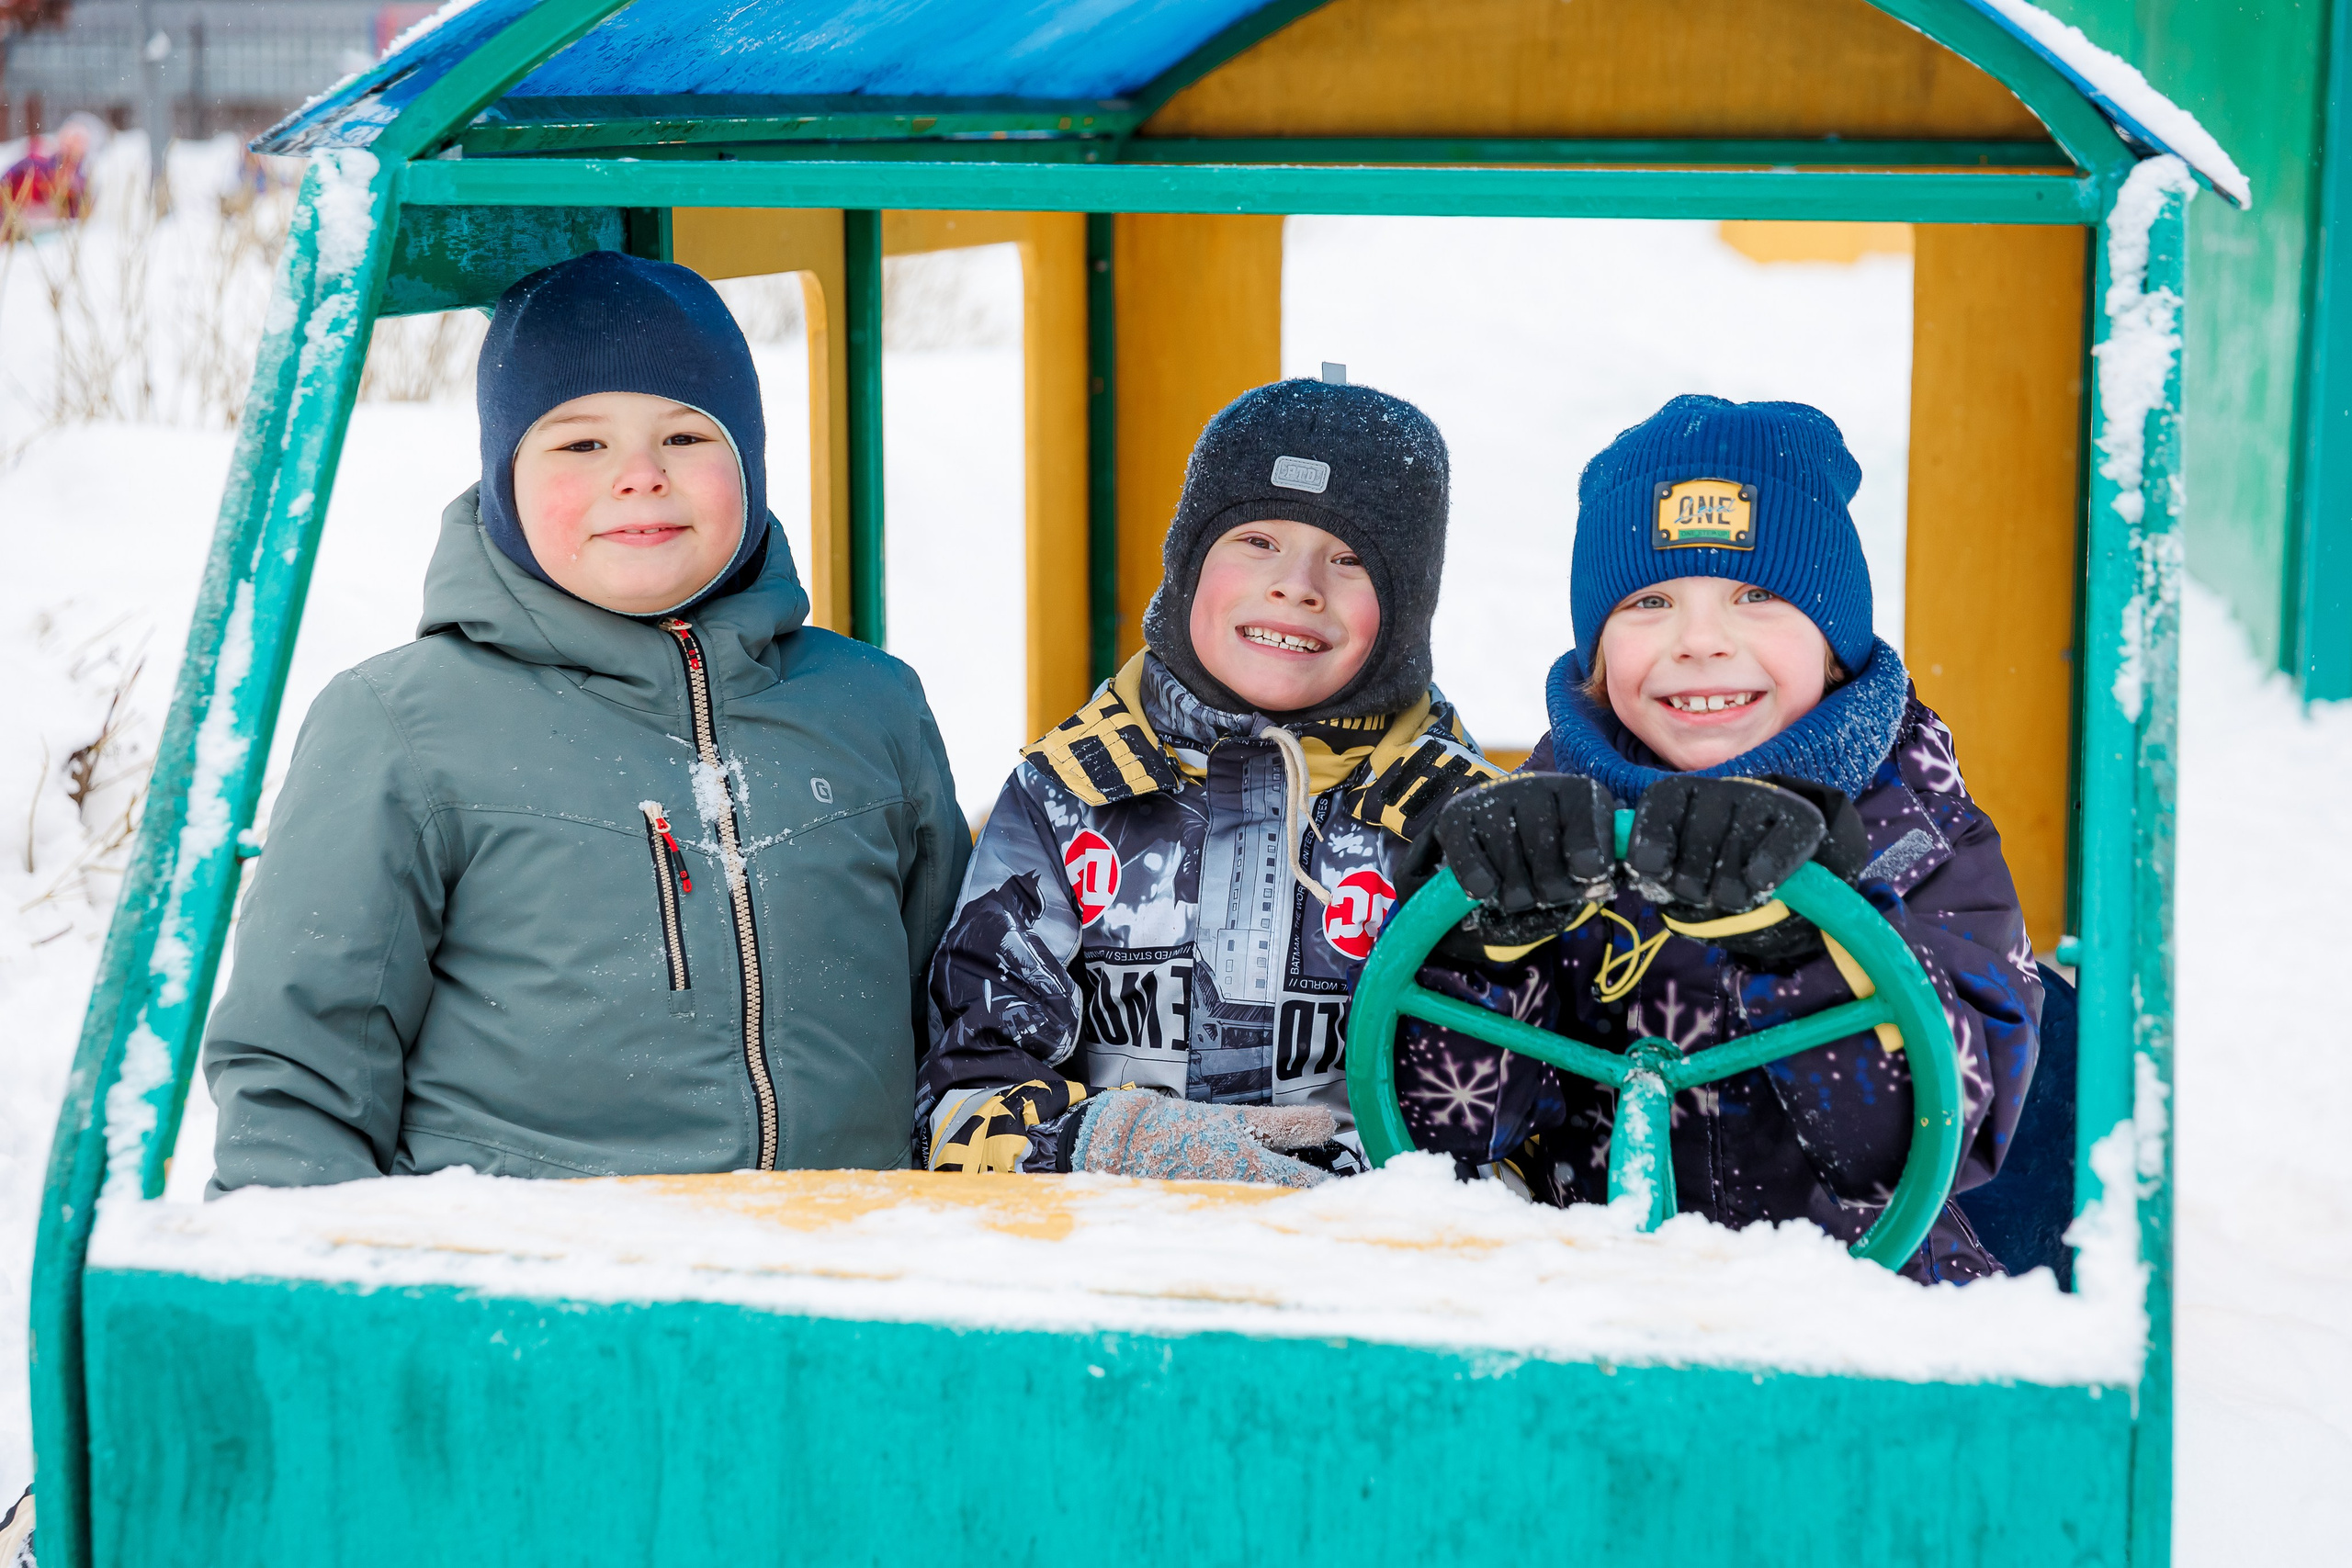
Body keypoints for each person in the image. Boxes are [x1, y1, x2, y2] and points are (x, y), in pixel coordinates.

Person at [203, 250, 969, 1190]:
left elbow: (960, 1014)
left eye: (687, 438)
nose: (640, 476)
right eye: (580, 444)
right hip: (532, 1302)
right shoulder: (401, 725)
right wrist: (319, 1311)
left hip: (844, 1282)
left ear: (752, 465)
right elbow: (298, 1075)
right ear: (503, 477)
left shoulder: (870, 705)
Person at [1395, 394, 2041, 1281]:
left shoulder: (1920, 838)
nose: (1700, 641)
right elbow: (1448, 1135)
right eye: (1651, 600)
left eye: (1757, 595)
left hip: (1859, 1323)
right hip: (1576, 1312)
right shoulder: (1549, 830)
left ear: (1835, 645)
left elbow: (1930, 1136)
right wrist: (1475, 955)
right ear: (1596, 652)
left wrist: (1803, 944)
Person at [921, 374, 1501, 1185]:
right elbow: (966, 1080)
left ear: (1408, 614)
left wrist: (1345, 1186)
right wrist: (1105, 1146)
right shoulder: (1068, 795)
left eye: (1351, 559)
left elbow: (1503, 1107)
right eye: (1257, 540)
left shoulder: (1458, 821)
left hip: (1366, 1266)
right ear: (1188, 563)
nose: (1297, 585)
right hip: (1106, 1252)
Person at [1, 112, 103, 237]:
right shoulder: (33, 166)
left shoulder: (80, 190)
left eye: (77, 154)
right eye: (68, 147)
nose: (69, 160)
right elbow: (5, 184)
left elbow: (79, 219)